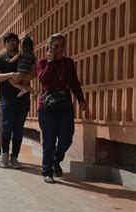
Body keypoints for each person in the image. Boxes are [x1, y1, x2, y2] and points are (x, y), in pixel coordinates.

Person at [37, 33, 86, 184]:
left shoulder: (69, 63)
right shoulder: (43, 62)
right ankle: (47, 172)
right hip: (47, 107)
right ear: (49, 47)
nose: (59, 49)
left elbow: (74, 83)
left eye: (61, 46)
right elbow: (43, 80)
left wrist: (81, 99)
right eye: (55, 46)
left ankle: (55, 160)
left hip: (65, 106)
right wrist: (50, 62)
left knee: (66, 139)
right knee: (49, 141)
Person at [0, 32, 37, 169]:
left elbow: (35, 72)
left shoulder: (24, 55)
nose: (11, 43)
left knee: (18, 129)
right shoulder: (0, 60)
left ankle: (15, 157)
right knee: (7, 126)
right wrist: (11, 74)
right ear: (5, 45)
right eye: (8, 41)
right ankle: (5, 154)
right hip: (7, 99)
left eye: (14, 41)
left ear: (19, 42)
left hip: (23, 98)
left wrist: (24, 77)